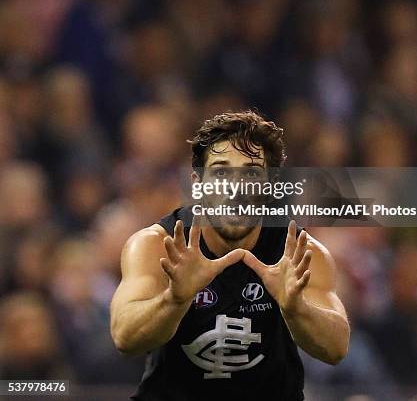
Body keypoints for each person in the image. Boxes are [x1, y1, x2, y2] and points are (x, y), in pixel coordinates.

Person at [110, 111, 350, 401]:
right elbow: (124, 337)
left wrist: (296, 307)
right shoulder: (157, 245)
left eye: (250, 172)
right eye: (221, 171)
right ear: (197, 184)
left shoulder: (299, 252)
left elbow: (337, 348)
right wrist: (174, 299)